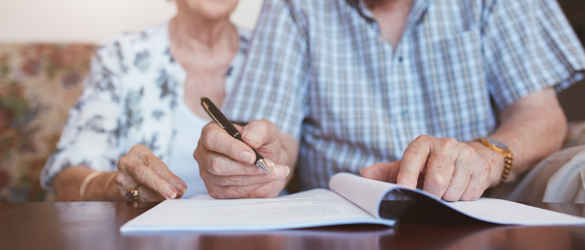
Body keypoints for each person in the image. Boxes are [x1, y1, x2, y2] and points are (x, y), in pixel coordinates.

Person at [194, 0, 585, 201]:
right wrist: (257, 159)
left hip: (483, 213)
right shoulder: (295, 5)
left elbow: (540, 115)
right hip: (341, 229)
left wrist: (485, 158)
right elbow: (277, 141)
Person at [41, 0, 251, 202]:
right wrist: (114, 186)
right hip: (148, 234)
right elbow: (65, 181)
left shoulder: (275, 53)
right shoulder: (122, 54)